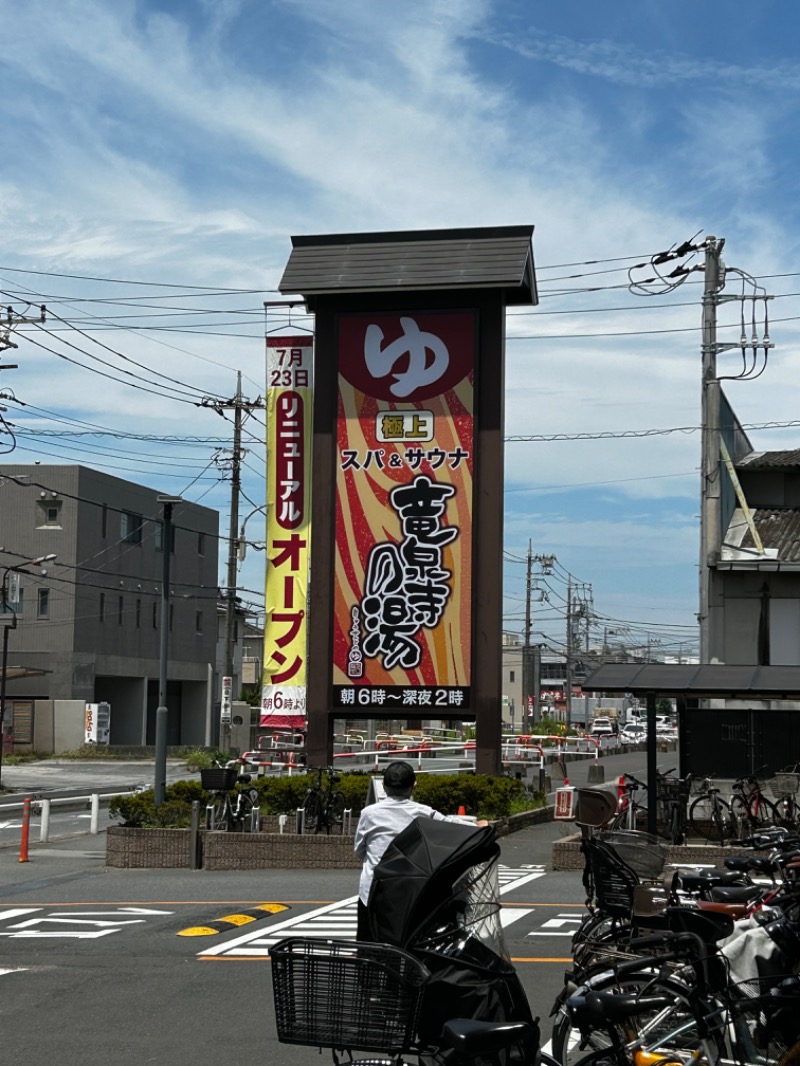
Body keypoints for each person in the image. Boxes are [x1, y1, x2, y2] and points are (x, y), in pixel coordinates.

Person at [354, 760, 488, 940]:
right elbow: (451, 826)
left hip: (374, 891)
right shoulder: (424, 813)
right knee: (411, 943)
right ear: (413, 787)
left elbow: (360, 851)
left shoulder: (368, 813)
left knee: (369, 945)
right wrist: (479, 826)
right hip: (413, 892)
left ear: (384, 787)